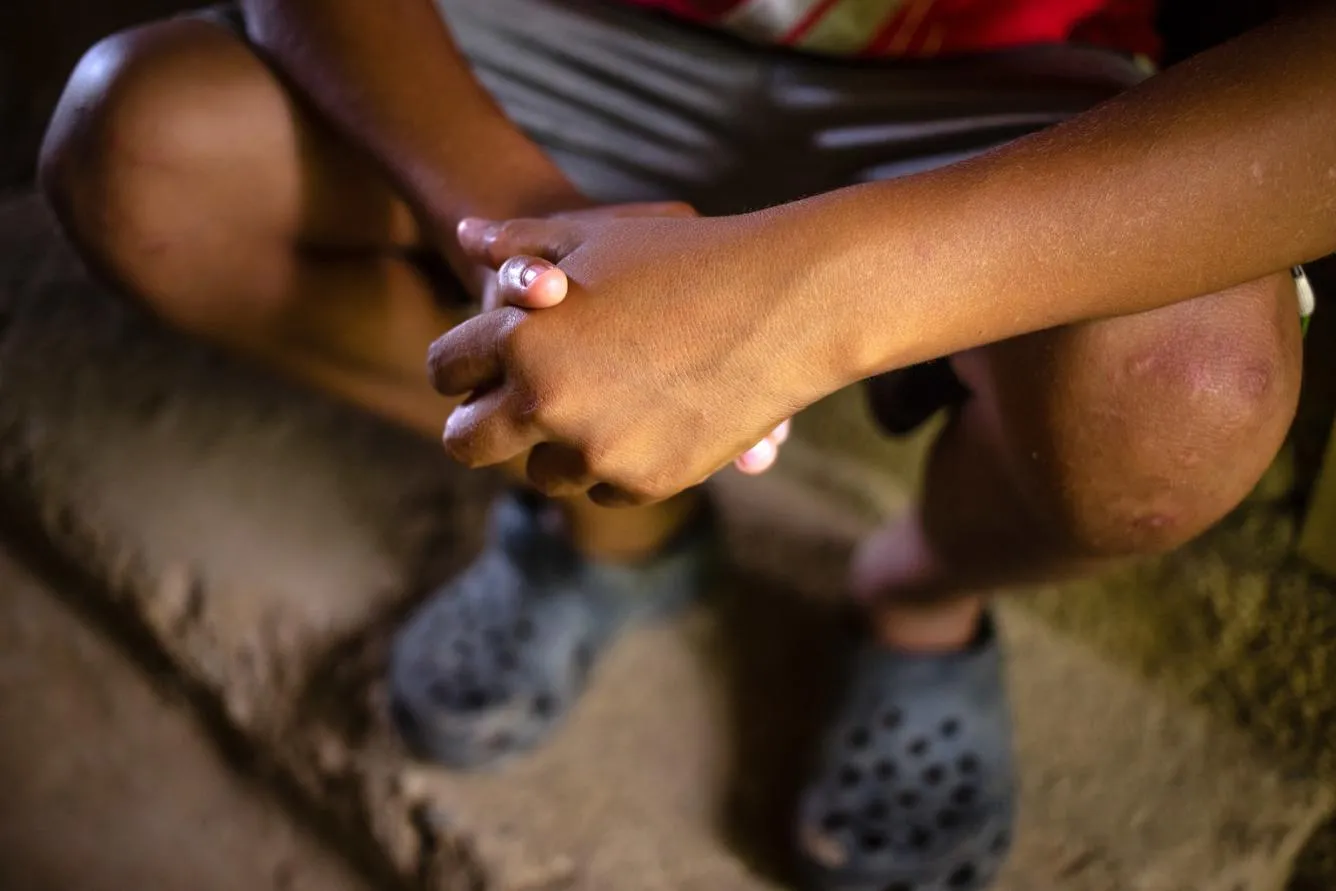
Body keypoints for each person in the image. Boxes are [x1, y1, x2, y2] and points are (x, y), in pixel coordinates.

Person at [37, 0, 1331, 886]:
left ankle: (925, 590)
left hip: (1008, 82)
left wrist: (799, 309)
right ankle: (615, 521)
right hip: (573, 32)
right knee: (138, 152)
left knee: (1190, 384)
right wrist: (538, 250)